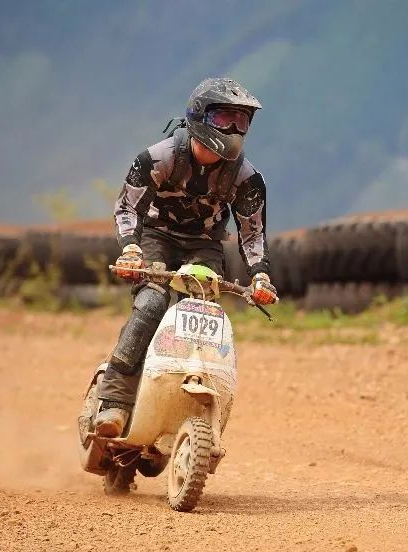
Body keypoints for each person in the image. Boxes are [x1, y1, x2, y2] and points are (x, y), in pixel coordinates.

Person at [93, 77, 277, 437]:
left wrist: (261, 276)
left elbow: (252, 233)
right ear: (199, 116)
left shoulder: (247, 179)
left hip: (204, 244)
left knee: (201, 313)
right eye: (224, 119)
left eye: (241, 121)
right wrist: (130, 249)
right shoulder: (157, 158)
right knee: (151, 303)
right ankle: (113, 399)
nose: (234, 129)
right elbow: (127, 208)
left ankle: (179, 405)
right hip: (155, 237)